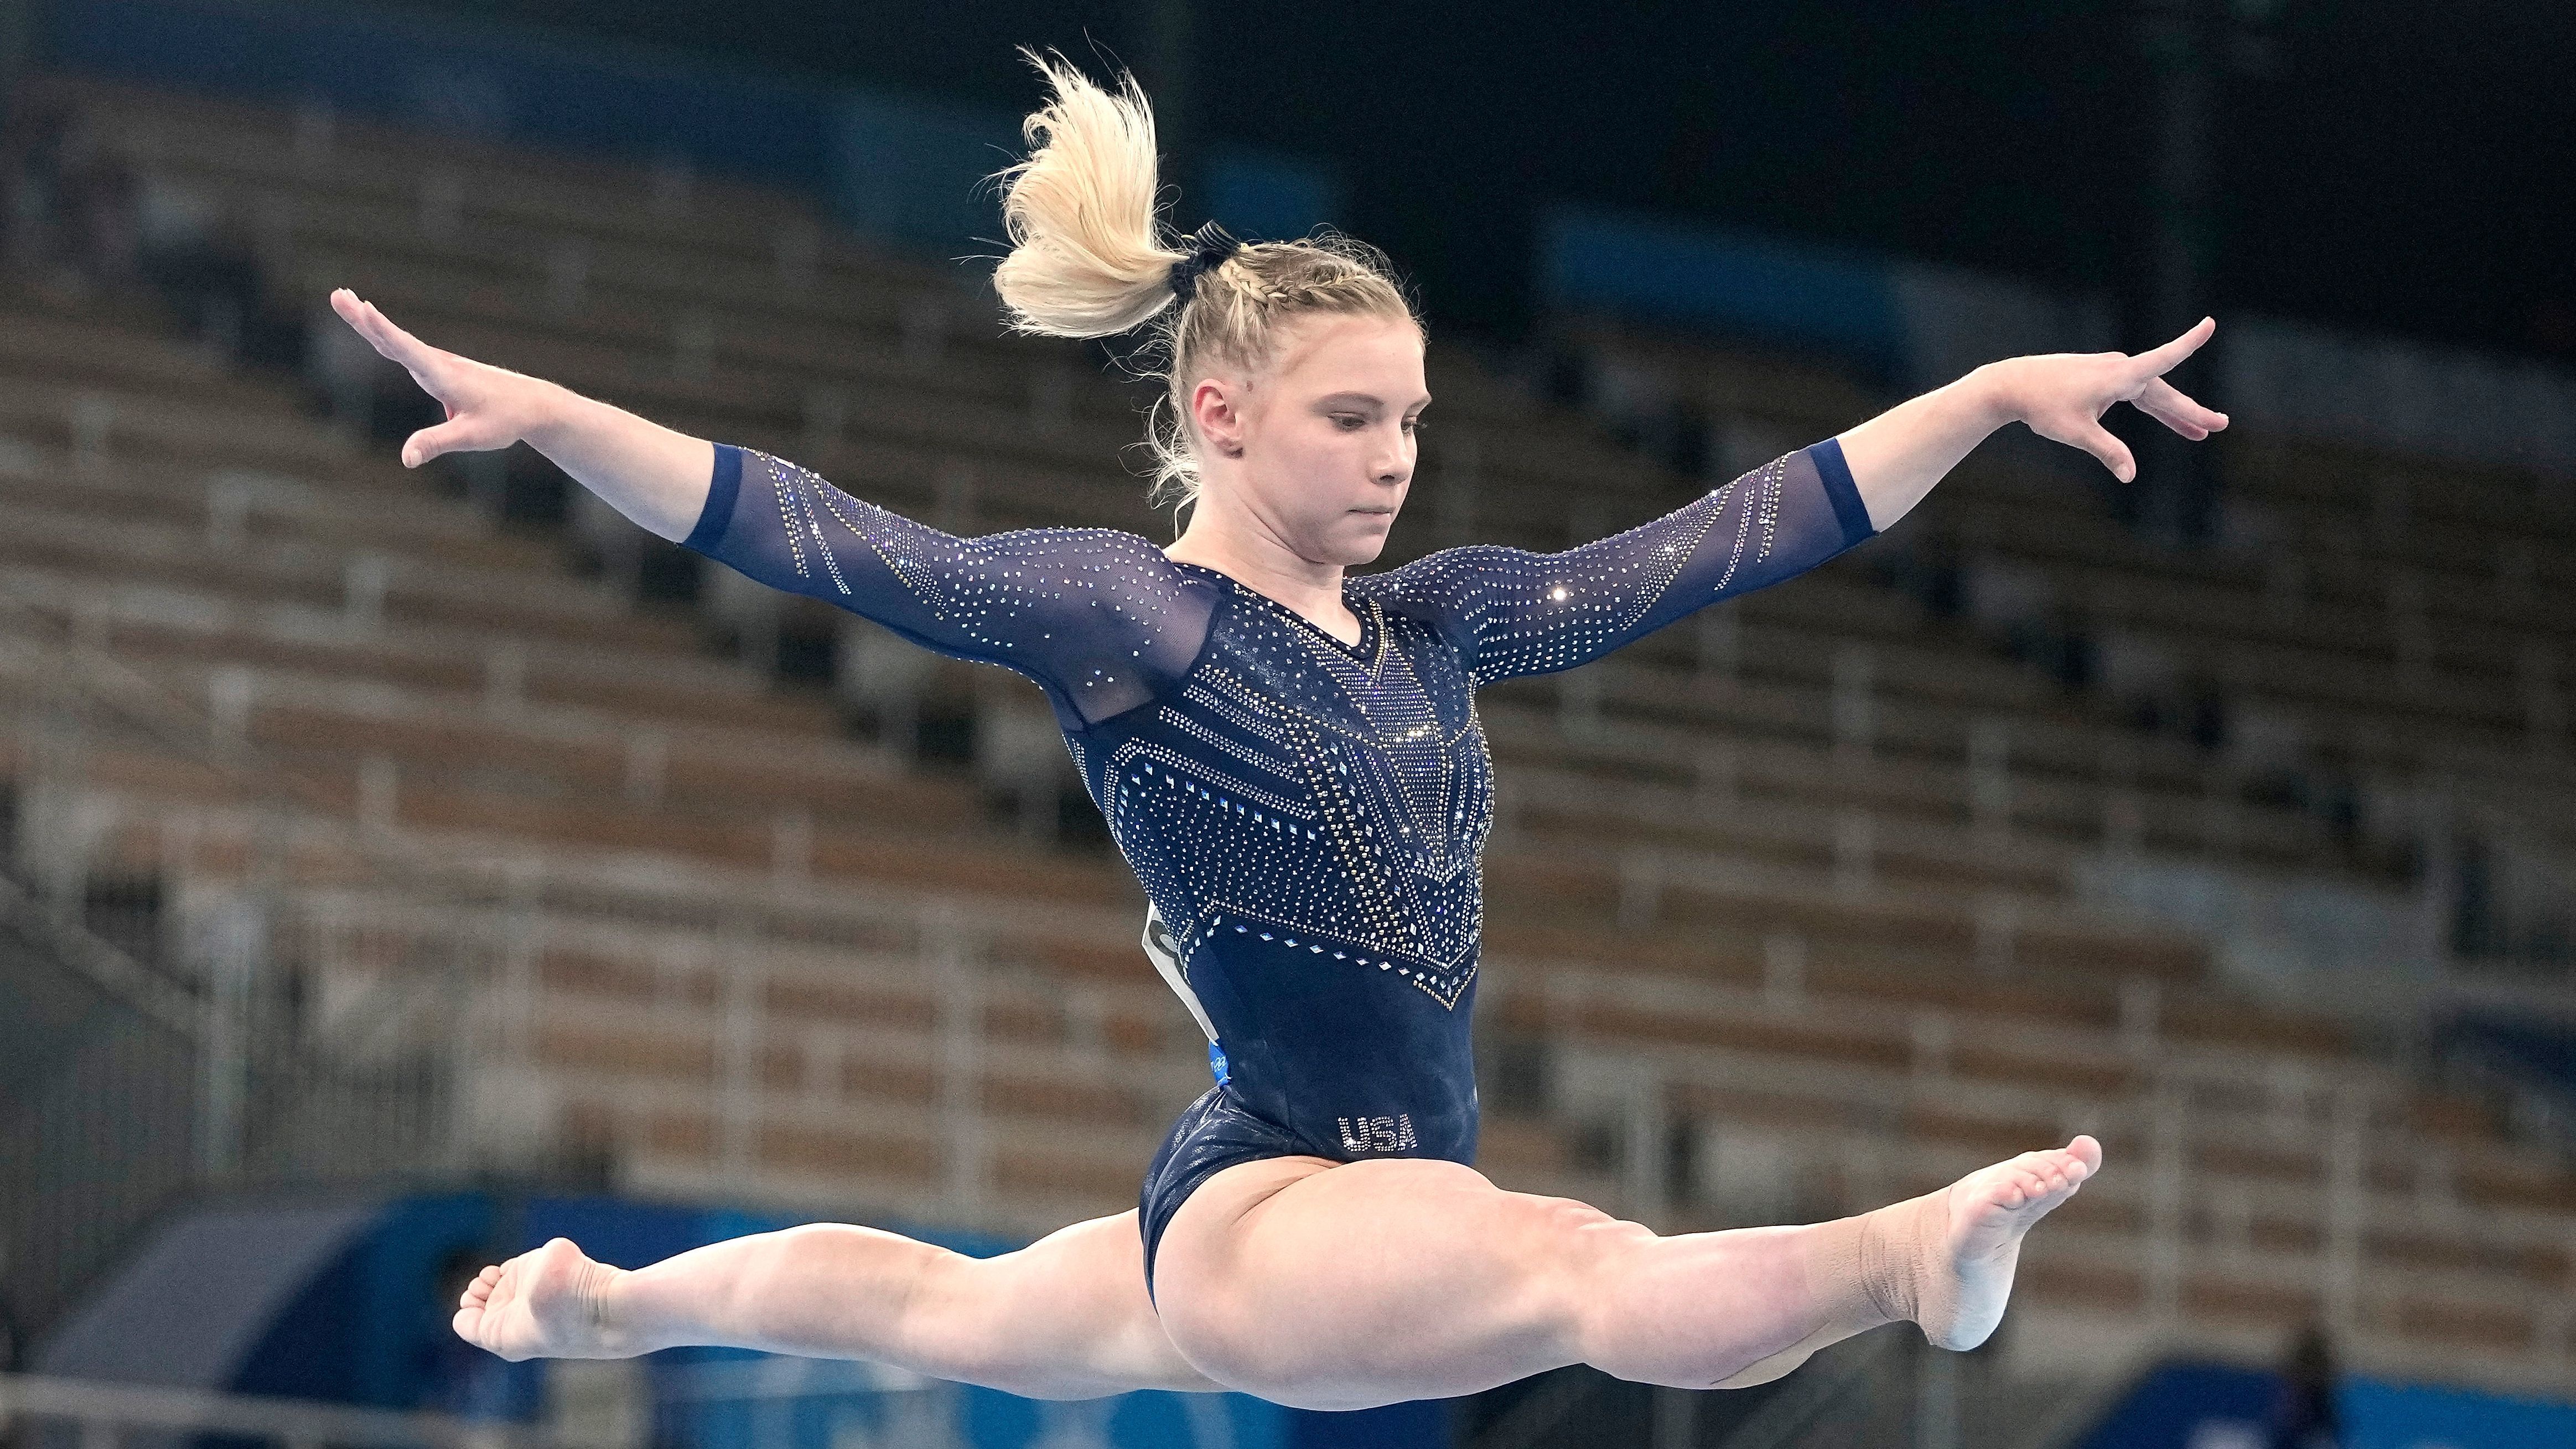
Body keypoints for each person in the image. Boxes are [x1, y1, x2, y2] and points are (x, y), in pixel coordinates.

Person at [331, 47, 2223, 1414]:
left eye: (1409, 417)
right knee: (1574, 1264)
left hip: (1301, 1200)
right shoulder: (1126, 614)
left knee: (938, 1306)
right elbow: (819, 533)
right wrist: (564, 414)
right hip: (1276, 1211)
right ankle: (1902, 1262)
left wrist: (1980, 392)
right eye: (1349, 421)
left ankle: (608, 1307)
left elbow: (1736, 532)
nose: (1396, 457)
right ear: (1223, 416)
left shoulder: (1446, 618)